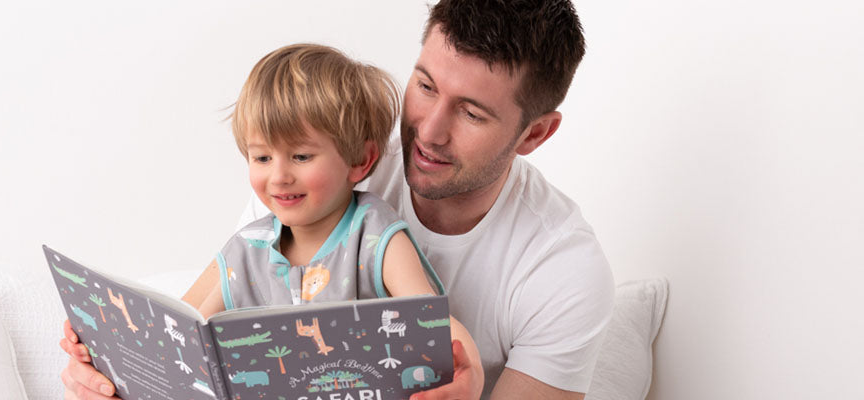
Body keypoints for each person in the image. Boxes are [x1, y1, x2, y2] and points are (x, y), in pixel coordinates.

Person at [61, 0, 614, 399]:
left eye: (471, 113)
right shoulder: (317, 171)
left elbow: (437, 330)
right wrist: (114, 370)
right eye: (424, 86)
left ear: (535, 134)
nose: (429, 130)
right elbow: (185, 327)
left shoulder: (562, 268)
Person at [61, 42, 485, 399]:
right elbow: (175, 332)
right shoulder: (246, 249)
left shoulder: (374, 235)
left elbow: (436, 326)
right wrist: (99, 348)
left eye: (301, 156)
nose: (279, 176)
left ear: (360, 160)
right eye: (262, 157)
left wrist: (467, 374)